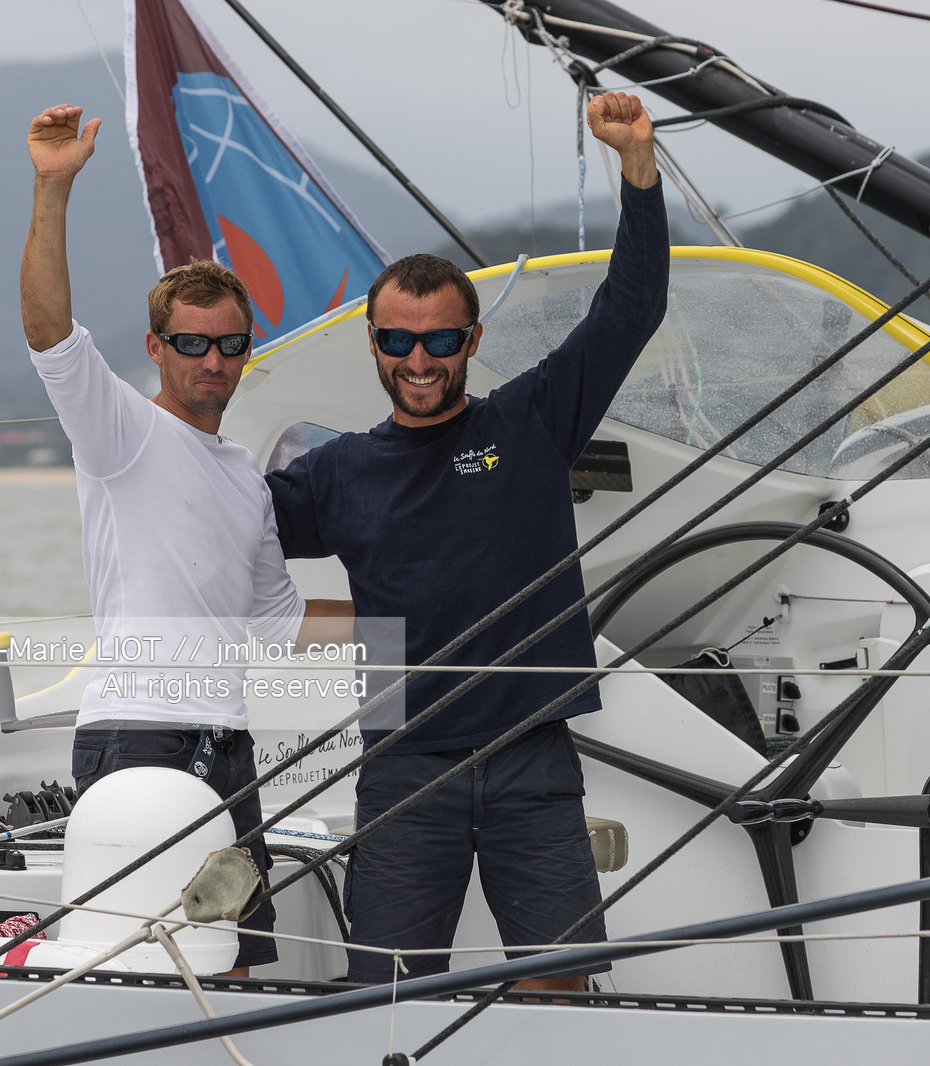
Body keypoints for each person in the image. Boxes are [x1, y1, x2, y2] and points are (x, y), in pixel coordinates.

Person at [265, 91, 667, 988]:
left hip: (532, 755)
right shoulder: (336, 474)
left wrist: (636, 167)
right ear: (373, 344)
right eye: (400, 341)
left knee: (559, 984)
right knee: (389, 993)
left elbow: (632, 306)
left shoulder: (529, 422)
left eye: (441, 337)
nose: (420, 359)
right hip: (403, 768)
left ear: (471, 338)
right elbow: (222, 532)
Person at [20, 103, 351, 976]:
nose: (213, 361)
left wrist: (421, 613)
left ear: (248, 349)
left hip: (224, 743)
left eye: (230, 345)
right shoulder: (119, 433)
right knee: (145, 965)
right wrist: (54, 187)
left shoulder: (247, 475)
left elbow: (280, 625)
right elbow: (50, 333)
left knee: (235, 962)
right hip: (136, 736)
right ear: (157, 349)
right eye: (192, 344)